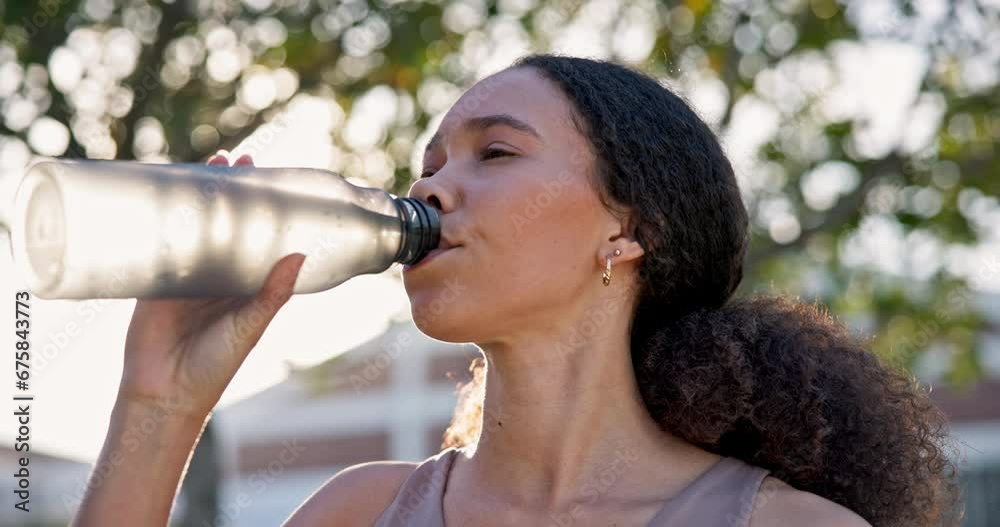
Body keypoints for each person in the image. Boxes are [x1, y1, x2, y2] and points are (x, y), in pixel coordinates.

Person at [73, 55, 961, 527]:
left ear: (629, 230)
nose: (429, 191)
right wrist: (160, 404)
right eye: (427, 166)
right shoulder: (358, 511)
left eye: (495, 153)